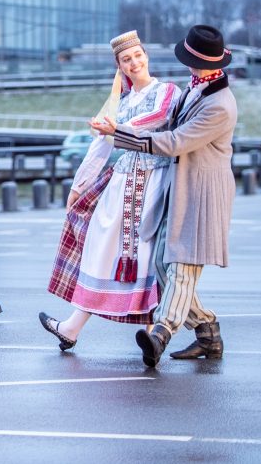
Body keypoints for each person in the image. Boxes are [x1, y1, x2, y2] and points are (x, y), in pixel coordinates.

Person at [94, 25, 236, 368]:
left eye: (190, 60)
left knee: (182, 269)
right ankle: (207, 332)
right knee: (162, 264)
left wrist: (121, 135)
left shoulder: (220, 105)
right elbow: (167, 128)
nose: (186, 66)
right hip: (182, 187)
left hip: (203, 194)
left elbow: (175, 142)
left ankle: (161, 333)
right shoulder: (198, 88)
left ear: (201, 64)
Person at [39, 31, 181, 350]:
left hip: (153, 182)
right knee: (103, 251)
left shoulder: (167, 91)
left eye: (137, 55)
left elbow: (158, 119)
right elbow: (99, 147)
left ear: (146, 56)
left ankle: (149, 331)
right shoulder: (121, 100)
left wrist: (116, 129)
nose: (134, 62)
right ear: (119, 65)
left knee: (144, 256)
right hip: (120, 184)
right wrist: (79, 185)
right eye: (126, 59)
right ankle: (75, 327)